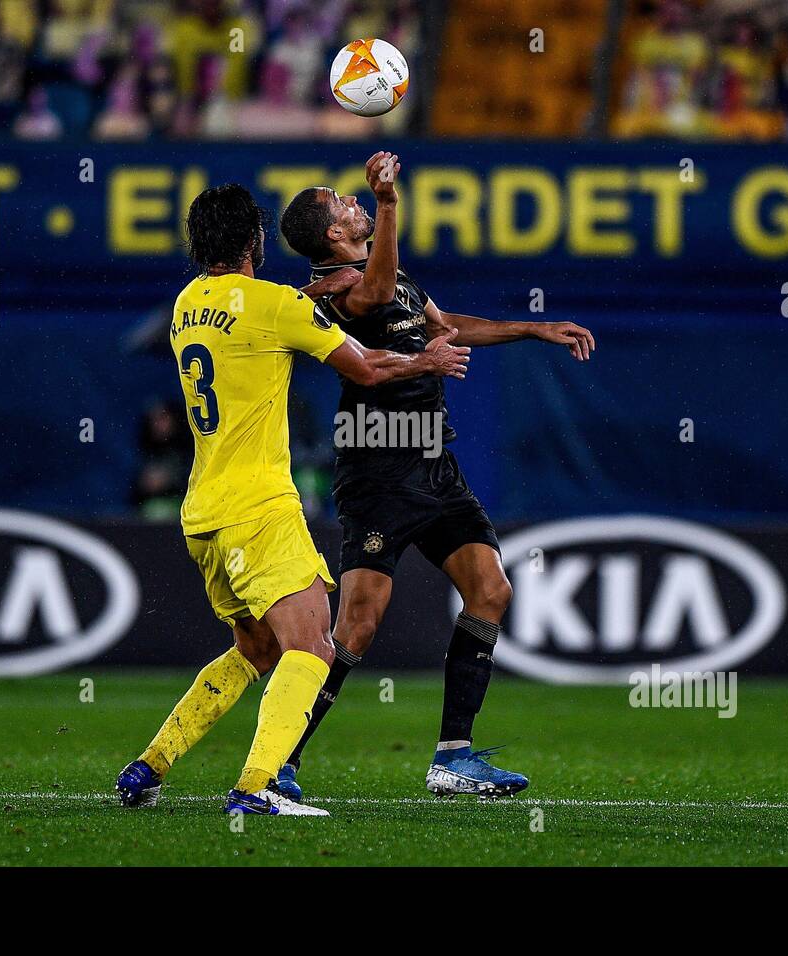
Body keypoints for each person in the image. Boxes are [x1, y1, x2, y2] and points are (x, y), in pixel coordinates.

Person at [114, 180, 470, 815]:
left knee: (254, 649)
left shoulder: (185, 303)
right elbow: (363, 366)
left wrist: (304, 299)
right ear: (255, 240)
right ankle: (254, 790)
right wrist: (426, 362)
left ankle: (149, 766)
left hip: (202, 513)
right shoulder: (276, 304)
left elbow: (242, 324)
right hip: (258, 508)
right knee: (314, 647)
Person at [275, 151, 595, 801]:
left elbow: (448, 327)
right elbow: (371, 299)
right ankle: (281, 757)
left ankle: (454, 757)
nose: (354, 202)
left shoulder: (394, 276)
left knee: (491, 590)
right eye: (342, 202)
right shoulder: (331, 292)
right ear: (334, 235)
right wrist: (390, 204)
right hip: (378, 472)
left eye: (356, 199)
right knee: (357, 627)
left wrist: (532, 329)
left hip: (434, 467)